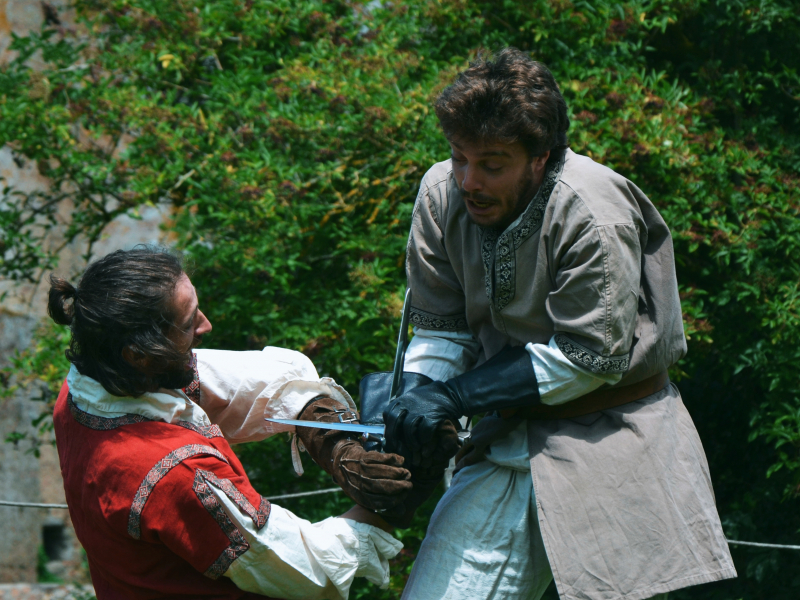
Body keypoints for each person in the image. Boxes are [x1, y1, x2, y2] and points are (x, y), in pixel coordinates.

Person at [383, 48, 737, 600]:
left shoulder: (591, 210)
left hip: (614, 441)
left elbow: (587, 358)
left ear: (540, 157)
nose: (469, 180)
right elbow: (441, 327)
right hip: (504, 440)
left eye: (492, 164)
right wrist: (413, 405)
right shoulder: (440, 193)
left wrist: (451, 397)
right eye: (459, 157)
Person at [48, 246, 412, 600]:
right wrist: (388, 501)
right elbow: (307, 570)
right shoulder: (175, 474)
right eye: (188, 323)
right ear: (140, 355)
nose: (206, 325)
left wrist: (339, 447)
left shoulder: (88, 386)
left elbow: (252, 382)